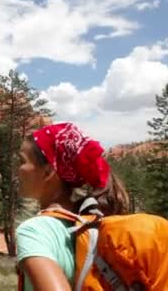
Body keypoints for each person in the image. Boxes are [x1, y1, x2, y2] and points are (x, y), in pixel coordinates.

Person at [16, 122, 130, 291]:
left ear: (48, 172)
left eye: (22, 161)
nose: (19, 169)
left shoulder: (34, 231)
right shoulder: (93, 223)